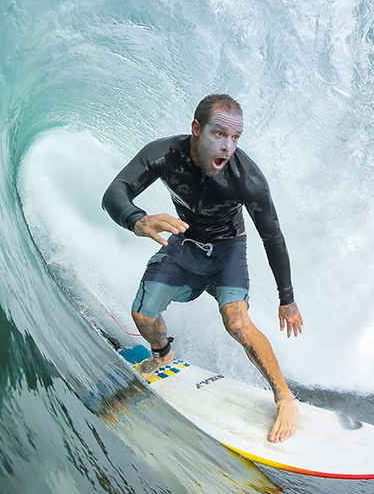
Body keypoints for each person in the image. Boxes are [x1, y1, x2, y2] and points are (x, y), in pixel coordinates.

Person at [102, 94, 303, 443]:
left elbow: (273, 236)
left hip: (228, 250)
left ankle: (285, 398)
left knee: (237, 324)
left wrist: (287, 298)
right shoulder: (164, 155)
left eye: (236, 138)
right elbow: (115, 192)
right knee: (143, 316)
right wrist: (138, 220)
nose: (228, 147)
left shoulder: (247, 179)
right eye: (219, 134)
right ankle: (163, 356)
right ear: (196, 128)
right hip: (187, 242)